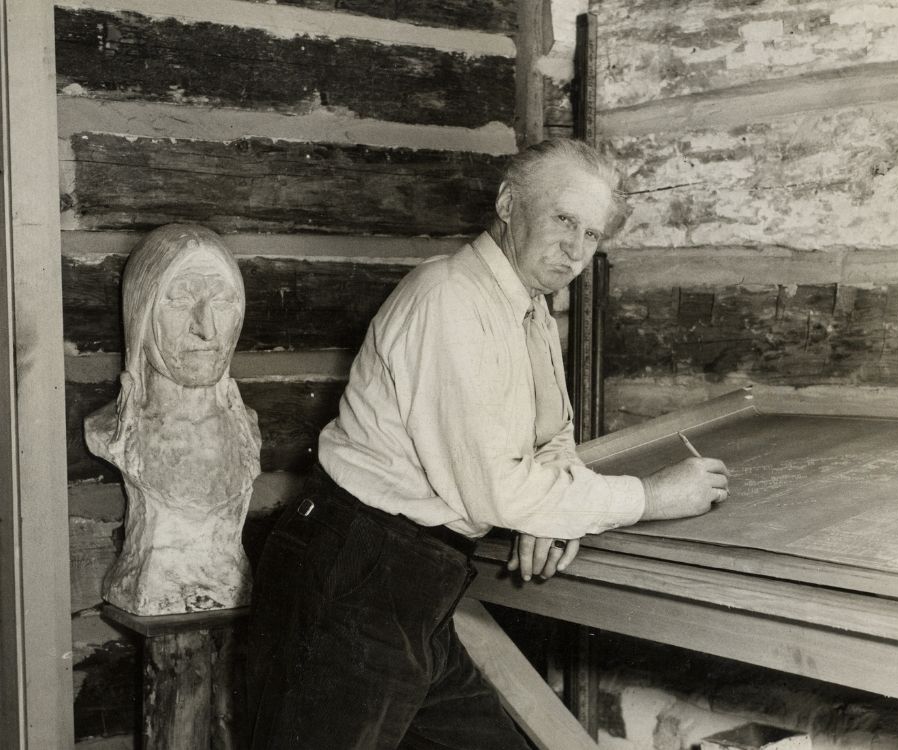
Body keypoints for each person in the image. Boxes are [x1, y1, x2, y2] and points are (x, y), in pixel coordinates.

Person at [246, 139, 729, 749]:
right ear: (507, 204)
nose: (575, 250)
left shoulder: (528, 310)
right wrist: (651, 497)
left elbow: (552, 433)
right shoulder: (450, 299)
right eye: (563, 219)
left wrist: (547, 515)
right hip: (356, 569)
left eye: (591, 234)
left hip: (416, 581)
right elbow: (496, 489)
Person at [86, 224, 261, 615]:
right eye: (180, 301)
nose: (206, 329)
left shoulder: (245, 429)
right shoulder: (110, 431)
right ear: (141, 314)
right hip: (149, 587)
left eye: (222, 301)